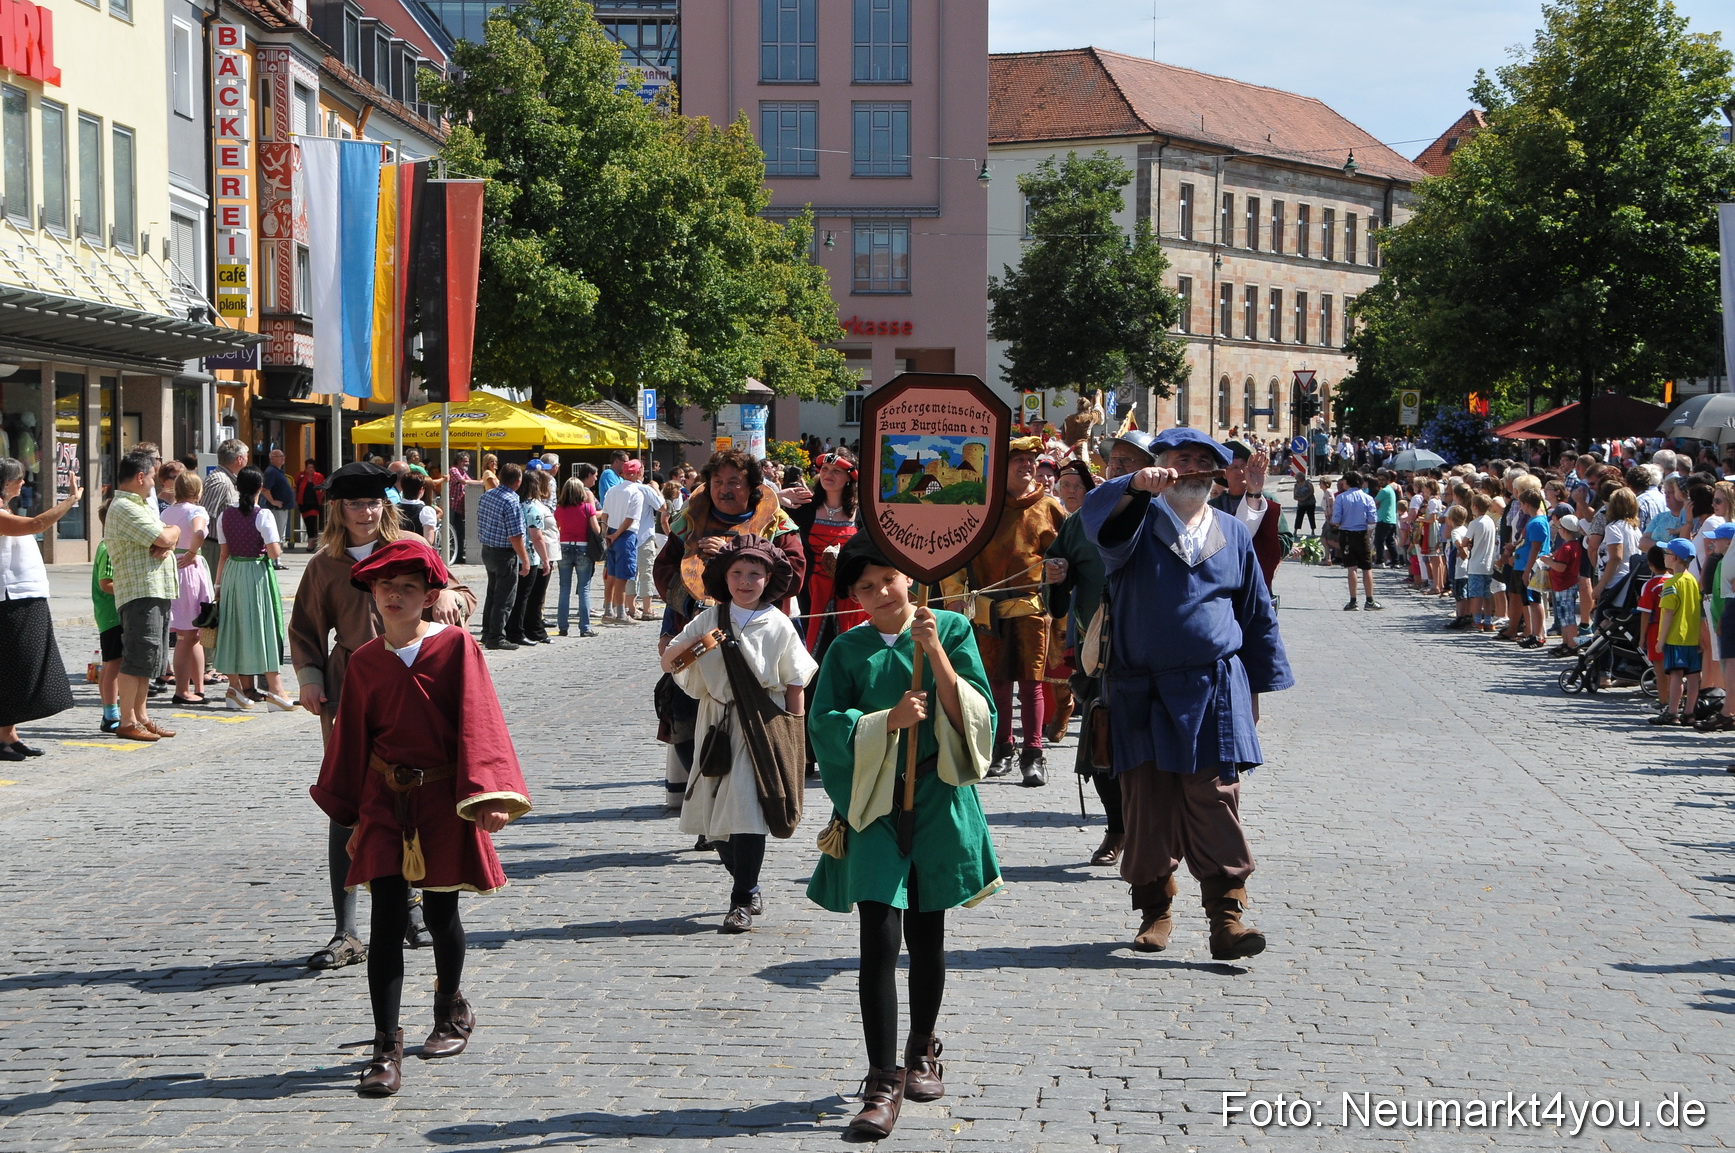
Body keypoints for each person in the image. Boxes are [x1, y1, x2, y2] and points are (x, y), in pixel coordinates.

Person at [311, 536, 531, 1097]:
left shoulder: (456, 647)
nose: (394, 596)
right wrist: (352, 815)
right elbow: (352, 740)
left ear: (429, 595)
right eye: (385, 586)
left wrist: (491, 794)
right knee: (385, 919)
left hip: (443, 799)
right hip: (385, 800)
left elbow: (481, 719)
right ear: (372, 593)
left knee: (439, 911)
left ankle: (450, 1008)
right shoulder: (364, 661)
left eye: (407, 587)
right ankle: (385, 1046)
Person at [807, 533, 1002, 1139]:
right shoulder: (847, 648)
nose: (881, 593)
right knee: (878, 937)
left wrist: (935, 651)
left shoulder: (950, 628)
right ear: (855, 597)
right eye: (865, 587)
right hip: (874, 804)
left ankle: (922, 1049)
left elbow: (979, 714)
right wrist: (884, 721)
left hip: (938, 797)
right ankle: (881, 1080)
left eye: (887, 579)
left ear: (909, 577)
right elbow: (824, 726)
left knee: (925, 932)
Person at [1081, 428, 1293, 958]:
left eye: (1203, 459)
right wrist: (1134, 485)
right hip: (1141, 691)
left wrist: (1256, 688)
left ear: (1216, 475)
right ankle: (1155, 909)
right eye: (1182, 457)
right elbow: (1094, 517)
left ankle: (1227, 918)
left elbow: (1256, 613)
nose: (1193, 467)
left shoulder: (1232, 532)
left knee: (1215, 798)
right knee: (1147, 803)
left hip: (1214, 690)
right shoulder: (1133, 521)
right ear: (1161, 464)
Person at [290, 462, 476, 974]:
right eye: (355, 504)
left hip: (417, 687)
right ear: (338, 509)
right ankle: (346, 929)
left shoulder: (411, 546)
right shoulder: (324, 565)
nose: (366, 513)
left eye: (373, 502)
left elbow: (457, 593)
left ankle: (413, 910)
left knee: (414, 793)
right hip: (352, 686)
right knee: (350, 800)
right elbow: (305, 628)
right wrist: (309, 677)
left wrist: (452, 594)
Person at [661, 535, 816, 933]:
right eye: (737, 573)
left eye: (754, 574)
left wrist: (794, 735)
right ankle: (749, 882)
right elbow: (671, 661)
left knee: (748, 812)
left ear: (769, 578)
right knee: (717, 822)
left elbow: (796, 681)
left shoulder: (778, 623)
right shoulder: (709, 618)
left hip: (761, 723)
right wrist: (701, 645)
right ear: (724, 576)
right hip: (716, 721)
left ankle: (742, 899)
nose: (745, 581)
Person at [938, 436, 1067, 786]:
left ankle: (1033, 755)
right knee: (996, 684)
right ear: (1001, 467)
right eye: (1018, 460)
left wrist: (1062, 572)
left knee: (1031, 684)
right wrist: (954, 596)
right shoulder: (981, 508)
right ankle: (1003, 749)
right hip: (989, 610)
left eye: (1031, 459)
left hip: (1031, 610)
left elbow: (1068, 554)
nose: (1027, 465)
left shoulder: (1049, 508)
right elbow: (957, 554)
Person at [0, 457, 80, 758]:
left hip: (23, 595)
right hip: (10, 598)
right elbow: (36, 524)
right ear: (5, 482)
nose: (23, 482)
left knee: (20, 667)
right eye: (18, 478)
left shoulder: (6, 508)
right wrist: (70, 500)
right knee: (16, 667)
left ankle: (8, 734)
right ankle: (4, 736)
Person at [104, 452, 182, 741]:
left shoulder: (138, 504)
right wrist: (169, 536)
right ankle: (127, 721)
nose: (153, 483)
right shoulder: (125, 506)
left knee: (149, 660)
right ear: (140, 477)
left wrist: (171, 533)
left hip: (153, 589)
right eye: (151, 477)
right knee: (137, 657)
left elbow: (169, 534)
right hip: (140, 591)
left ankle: (141, 717)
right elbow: (164, 537)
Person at [213, 467, 294, 711]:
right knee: (262, 628)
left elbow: (224, 554)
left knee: (234, 628)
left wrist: (218, 585)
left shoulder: (225, 516)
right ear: (260, 488)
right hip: (255, 573)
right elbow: (274, 552)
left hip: (232, 573)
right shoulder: (263, 515)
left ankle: (237, 688)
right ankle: (275, 691)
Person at [789, 451, 865, 657]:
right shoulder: (804, 508)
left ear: (849, 477)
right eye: (824, 469)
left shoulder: (862, 513)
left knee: (849, 650)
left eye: (836, 471)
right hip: (811, 593)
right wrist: (777, 497)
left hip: (850, 593)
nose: (828, 475)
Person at [161, 470, 215, 704]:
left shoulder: (167, 511)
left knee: (192, 634)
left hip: (172, 567)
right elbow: (199, 531)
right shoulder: (196, 511)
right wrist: (193, 551)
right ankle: (183, 690)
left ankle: (198, 688)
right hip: (189, 571)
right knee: (188, 634)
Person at [1211, 441, 1291, 590]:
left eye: (1244, 466)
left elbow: (1286, 540)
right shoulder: (1214, 506)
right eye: (1234, 467)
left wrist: (1261, 544)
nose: (1241, 472)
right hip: (1222, 582)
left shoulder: (1267, 500)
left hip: (1258, 581)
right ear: (1224, 473)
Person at [475, 462, 530, 650]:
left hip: (488, 550)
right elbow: (515, 535)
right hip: (504, 553)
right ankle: (496, 636)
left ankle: (487, 632)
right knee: (504, 598)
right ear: (518, 481)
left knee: (492, 593)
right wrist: (525, 559)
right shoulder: (511, 500)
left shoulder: (487, 495)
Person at [1652, 537, 1703, 725]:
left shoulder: (1671, 583)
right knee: (1693, 676)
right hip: (1692, 636)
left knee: (1676, 676)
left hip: (1675, 637)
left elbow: (1668, 613)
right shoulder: (1693, 581)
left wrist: (1660, 640)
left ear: (1673, 557)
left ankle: (1672, 711)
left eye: (1666, 553)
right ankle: (1689, 712)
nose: (1664, 557)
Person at [505, 469, 553, 645]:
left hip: (513, 554)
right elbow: (537, 537)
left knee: (514, 595)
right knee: (525, 597)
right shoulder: (532, 508)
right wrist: (546, 560)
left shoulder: (515, 503)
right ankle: (519, 631)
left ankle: (512, 629)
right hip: (530, 556)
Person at [553, 477, 600, 637]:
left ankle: (563, 626)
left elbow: (557, 528)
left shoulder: (559, 509)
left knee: (564, 588)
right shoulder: (587, 508)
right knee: (584, 588)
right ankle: (585, 628)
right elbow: (596, 530)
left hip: (564, 547)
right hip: (583, 547)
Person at [1330, 470, 1381, 610]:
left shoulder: (1341, 498)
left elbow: (1336, 520)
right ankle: (1369, 600)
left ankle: (1353, 601)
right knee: (1366, 567)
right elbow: (1372, 519)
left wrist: (1337, 523)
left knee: (1351, 568)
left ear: (1348, 482)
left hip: (1346, 535)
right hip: (1362, 534)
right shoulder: (1368, 498)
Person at [199, 439, 245, 573]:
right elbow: (204, 515)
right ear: (239, 459)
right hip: (214, 546)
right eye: (246, 456)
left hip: (221, 546)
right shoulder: (221, 481)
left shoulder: (228, 479)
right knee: (216, 585)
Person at [1544, 515, 1586, 655]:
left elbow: (1561, 567)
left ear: (1564, 530)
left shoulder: (1567, 547)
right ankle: (1566, 642)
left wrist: (1548, 561)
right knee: (1563, 617)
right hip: (1563, 585)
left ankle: (1572, 645)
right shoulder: (1574, 545)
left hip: (1565, 585)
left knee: (1568, 617)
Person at [633, 466, 668, 623]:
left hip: (627, 536)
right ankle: (647, 609)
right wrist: (657, 490)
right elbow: (662, 507)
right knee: (646, 573)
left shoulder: (619, 489)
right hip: (644, 536)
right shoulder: (645, 489)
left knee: (631, 575)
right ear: (639, 473)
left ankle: (631, 607)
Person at [263, 448, 296, 563]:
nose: (283, 458)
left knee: (280, 534)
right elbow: (265, 489)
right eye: (279, 456)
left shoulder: (278, 471)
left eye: (283, 456)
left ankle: (277, 559)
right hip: (276, 509)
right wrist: (273, 501)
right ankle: (275, 560)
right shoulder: (271, 472)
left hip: (283, 508)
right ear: (272, 459)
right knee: (276, 534)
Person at [396, 473, 438, 544]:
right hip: (417, 549)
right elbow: (428, 540)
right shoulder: (426, 511)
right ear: (421, 490)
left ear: (402, 488)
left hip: (396, 549)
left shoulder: (393, 508)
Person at [448, 452, 473, 565]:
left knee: (460, 532)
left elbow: (469, 481)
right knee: (452, 532)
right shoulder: (454, 470)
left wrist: (480, 482)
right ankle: (451, 555)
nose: (467, 463)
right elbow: (464, 481)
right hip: (452, 505)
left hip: (460, 507)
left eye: (468, 461)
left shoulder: (463, 472)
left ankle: (458, 556)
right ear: (459, 461)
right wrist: (481, 481)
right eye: (465, 461)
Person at [296, 458, 326, 551]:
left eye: (312, 467)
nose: (310, 469)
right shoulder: (300, 476)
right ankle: (313, 540)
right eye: (308, 467)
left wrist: (321, 497)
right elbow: (295, 487)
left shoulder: (319, 476)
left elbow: (324, 488)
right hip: (303, 503)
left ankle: (311, 542)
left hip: (315, 503)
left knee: (312, 521)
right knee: (307, 522)